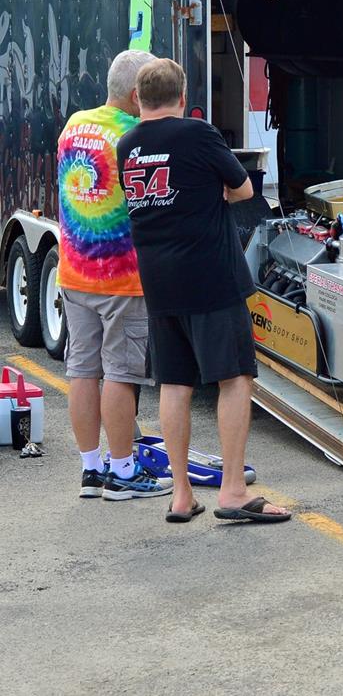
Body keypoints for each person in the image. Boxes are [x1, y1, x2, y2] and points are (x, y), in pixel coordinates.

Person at [117, 58, 290, 524]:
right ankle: (232, 491)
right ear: (183, 96)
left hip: (159, 281)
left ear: (137, 99)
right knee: (234, 377)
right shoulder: (198, 133)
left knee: (175, 383)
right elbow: (244, 189)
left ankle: (181, 495)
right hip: (210, 276)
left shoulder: (126, 146)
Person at [57, 49, 173, 501]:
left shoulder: (73, 125)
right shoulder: (135, 135)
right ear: (136, 95)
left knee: (82, 371)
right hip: (121, 278)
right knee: (121, 374)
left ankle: (92, 470)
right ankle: (123, 471)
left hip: (74, 271)